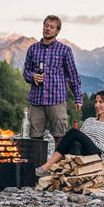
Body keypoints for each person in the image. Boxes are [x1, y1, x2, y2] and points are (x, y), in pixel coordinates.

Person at [23, 15, 82, 148]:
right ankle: (37, 167)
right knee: (35, 138)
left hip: (57, 100)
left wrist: (78, 97)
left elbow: (73, 75)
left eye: (51, 27)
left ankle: (57, 168)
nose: (48, 29)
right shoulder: (33, 49)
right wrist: (32, 76)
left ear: (57, 31)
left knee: (60, 137)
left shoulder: (65, 50)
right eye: (46, 26)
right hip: (36, 101)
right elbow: (26, 71)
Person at [35, 90, 104, 176]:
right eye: (95, 102)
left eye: (101, 102)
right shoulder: (89, 120)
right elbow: (80, 139)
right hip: (82, 152)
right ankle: (72, 175)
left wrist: (90, 141)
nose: (97, 105)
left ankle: (47, 166)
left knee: (74, 132)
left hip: (95, 156)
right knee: (75, 144)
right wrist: (84, 139)